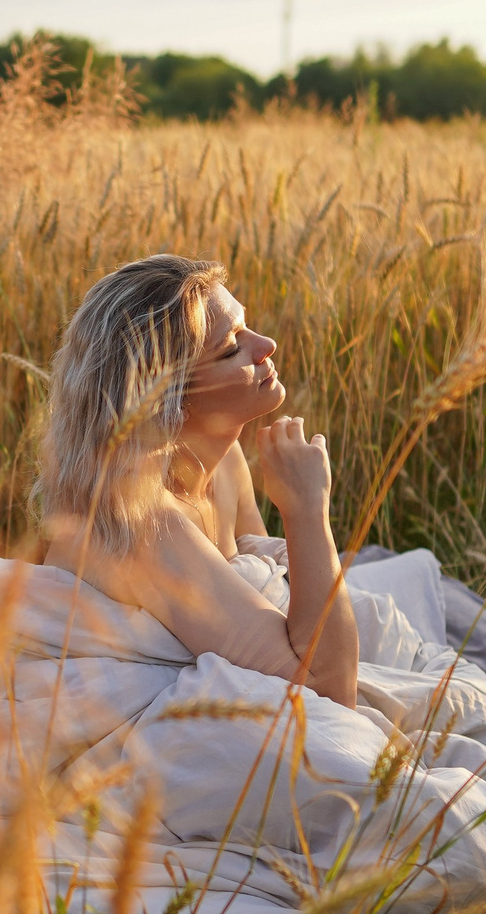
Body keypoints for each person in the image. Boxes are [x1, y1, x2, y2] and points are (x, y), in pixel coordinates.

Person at [34, 253, 361, 709]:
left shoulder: (224, 462)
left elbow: (281, 606)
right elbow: (329, 697)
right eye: (231, 349)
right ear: (166, 397)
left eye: (246, 326)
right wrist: (307, 510)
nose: (266, 345)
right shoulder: (141, 517)